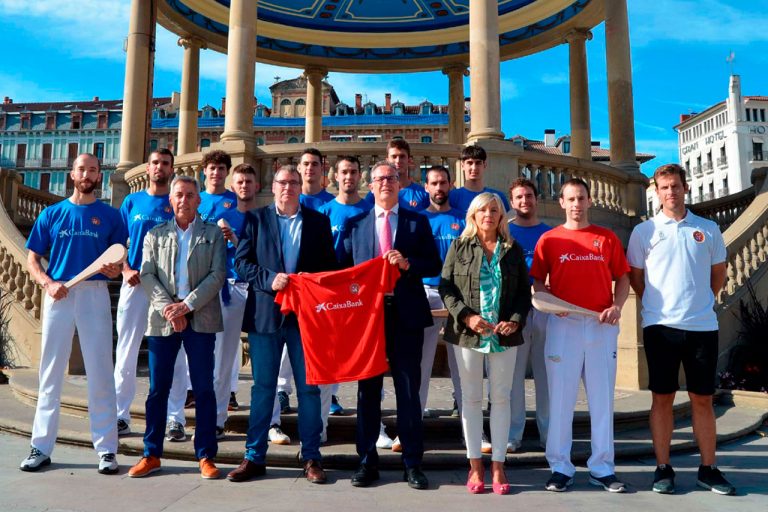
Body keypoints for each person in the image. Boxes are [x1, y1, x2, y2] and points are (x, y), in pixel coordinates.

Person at [627, 163, 735, 496]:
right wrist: (661, 307)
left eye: (675, 186)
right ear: (656, 192)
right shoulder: (644, 232)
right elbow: (636, 278)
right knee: (662, 398)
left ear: (685, 188)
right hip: (660, 328)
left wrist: (697, 303)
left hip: (702, 326)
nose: (670, 192)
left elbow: (717, 275)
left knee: (702, 399)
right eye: (664, 187)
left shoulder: (708, 229)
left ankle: (709, 468)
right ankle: (663, 468)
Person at [227, 165, 337, 484]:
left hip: (305, 319)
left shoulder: (318, 222)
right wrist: (268, 279)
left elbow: (328, 270)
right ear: (272, 188)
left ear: (301, 187)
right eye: (282, 182)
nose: (288, 187)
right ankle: (254, 457)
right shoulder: (257, 219)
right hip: (266, 316)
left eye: (293, 182)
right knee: (263, 389)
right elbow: (242, 263)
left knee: (309, 390)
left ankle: (312, 457)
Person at [20, 153, 126, 474]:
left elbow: (118, 265)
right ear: (72, 174)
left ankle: (107, 450)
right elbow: (33, 259)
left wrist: (112, 271)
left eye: (93, 169)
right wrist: (48, 283)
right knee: (50, 372)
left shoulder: (111, 216)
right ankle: (40, 446)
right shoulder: (52, 214)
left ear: (99, 176)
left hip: (94, 294)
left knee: (100, 371)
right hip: (59, 295)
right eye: (82, 168)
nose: (87, 173)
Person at [341, 161, 442, 490]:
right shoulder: (355, 225)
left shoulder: (417, 222)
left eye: (392, 178)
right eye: (380, 179)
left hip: (406, 316)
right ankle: (367, 461)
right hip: (367, 320)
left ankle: (412, 462)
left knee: (408, 393)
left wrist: (409, 264)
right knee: (367, 393)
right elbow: (340, 271)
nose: (386, 182)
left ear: (400, 184)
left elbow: (434, 262)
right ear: (370, 186)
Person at [529, 178, 629, 493]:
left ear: (588, 201)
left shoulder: (607, 238)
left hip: (601, 325)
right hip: (563, 325)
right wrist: (550, 304)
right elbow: (538, 283)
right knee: (560, 399)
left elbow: (623, 278)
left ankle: (602, 468)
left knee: (602, 400)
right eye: (570, 198)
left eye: (581, 198)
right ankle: (560, 467)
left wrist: (617, 305)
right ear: (561, 202)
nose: (576, 204)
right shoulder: (549, 239)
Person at [127, 175, 226, 479]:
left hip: (201, 316)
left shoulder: (213, 234)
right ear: (171, 201)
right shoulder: (154, 235)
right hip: (163, 318)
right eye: (179, 195)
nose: (184, 200)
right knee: (159, 389)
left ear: (199, 200)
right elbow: (146, 275)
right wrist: (171, 309)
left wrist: (187, 305)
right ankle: (151, 453)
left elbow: (218, 274)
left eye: (190, 195)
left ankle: (206, 455)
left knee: (204, 388)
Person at [439, 192, 531, 495]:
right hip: (468, 334)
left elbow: (522, 292)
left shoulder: (512, 249)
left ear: (501, 216)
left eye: (494, 210)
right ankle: (475, 465)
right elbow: (447, 286)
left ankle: (499, 466)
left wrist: (515, 319)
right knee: (471, 399)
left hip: (504, 335)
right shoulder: (459, 247)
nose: (488, 215)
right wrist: (466, 317)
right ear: (474, 215)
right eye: (483, 210)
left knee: (501, 398)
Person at [113, 148, 176, 437]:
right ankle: (120, 414)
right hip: (136, 282)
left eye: (165, 163)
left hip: (168, 288)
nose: (159, 167)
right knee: (126, 348)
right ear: (147, 168)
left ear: (171, 169)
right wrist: (125, 269)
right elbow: (118, 242)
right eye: (155, 163)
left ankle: (175, 418)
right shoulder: (132, 201)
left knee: (176, 352)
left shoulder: (178, 200)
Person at [213, 163, 260, 439]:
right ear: (233, 187)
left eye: (249, 182)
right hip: (229, 289)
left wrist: (236, 238)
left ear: (257, 186)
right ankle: (218, 418)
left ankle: (272, 420)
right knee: (223, 358)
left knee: (268, 360)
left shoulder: (265, 217)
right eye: (239, 182)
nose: (244, 186)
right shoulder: (222, 216)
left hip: (258, 290)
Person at [506, 178, 552, 452]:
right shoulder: (505, 232)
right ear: (512, 202)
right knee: (514, 376)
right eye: (519, 197)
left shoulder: (550, 234)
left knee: (546, 374)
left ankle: (549, 434)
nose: (525, 201)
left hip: (545, 308)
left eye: (529, 196)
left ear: (537, 198)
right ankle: (514, 433)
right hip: (514, 310)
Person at [364, 139, 430, 211]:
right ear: (387, 160)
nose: (398, 161)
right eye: (394, 156)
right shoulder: (375, 193)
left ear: (409, 160)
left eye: (402, 156)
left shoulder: (423, 194)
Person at [448, 145, 510, 214]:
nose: (474, 168)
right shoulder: (452, 197)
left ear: (485, 165)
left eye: (478, 163)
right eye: (470, 163)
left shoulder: (498, 197)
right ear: (462, 166)